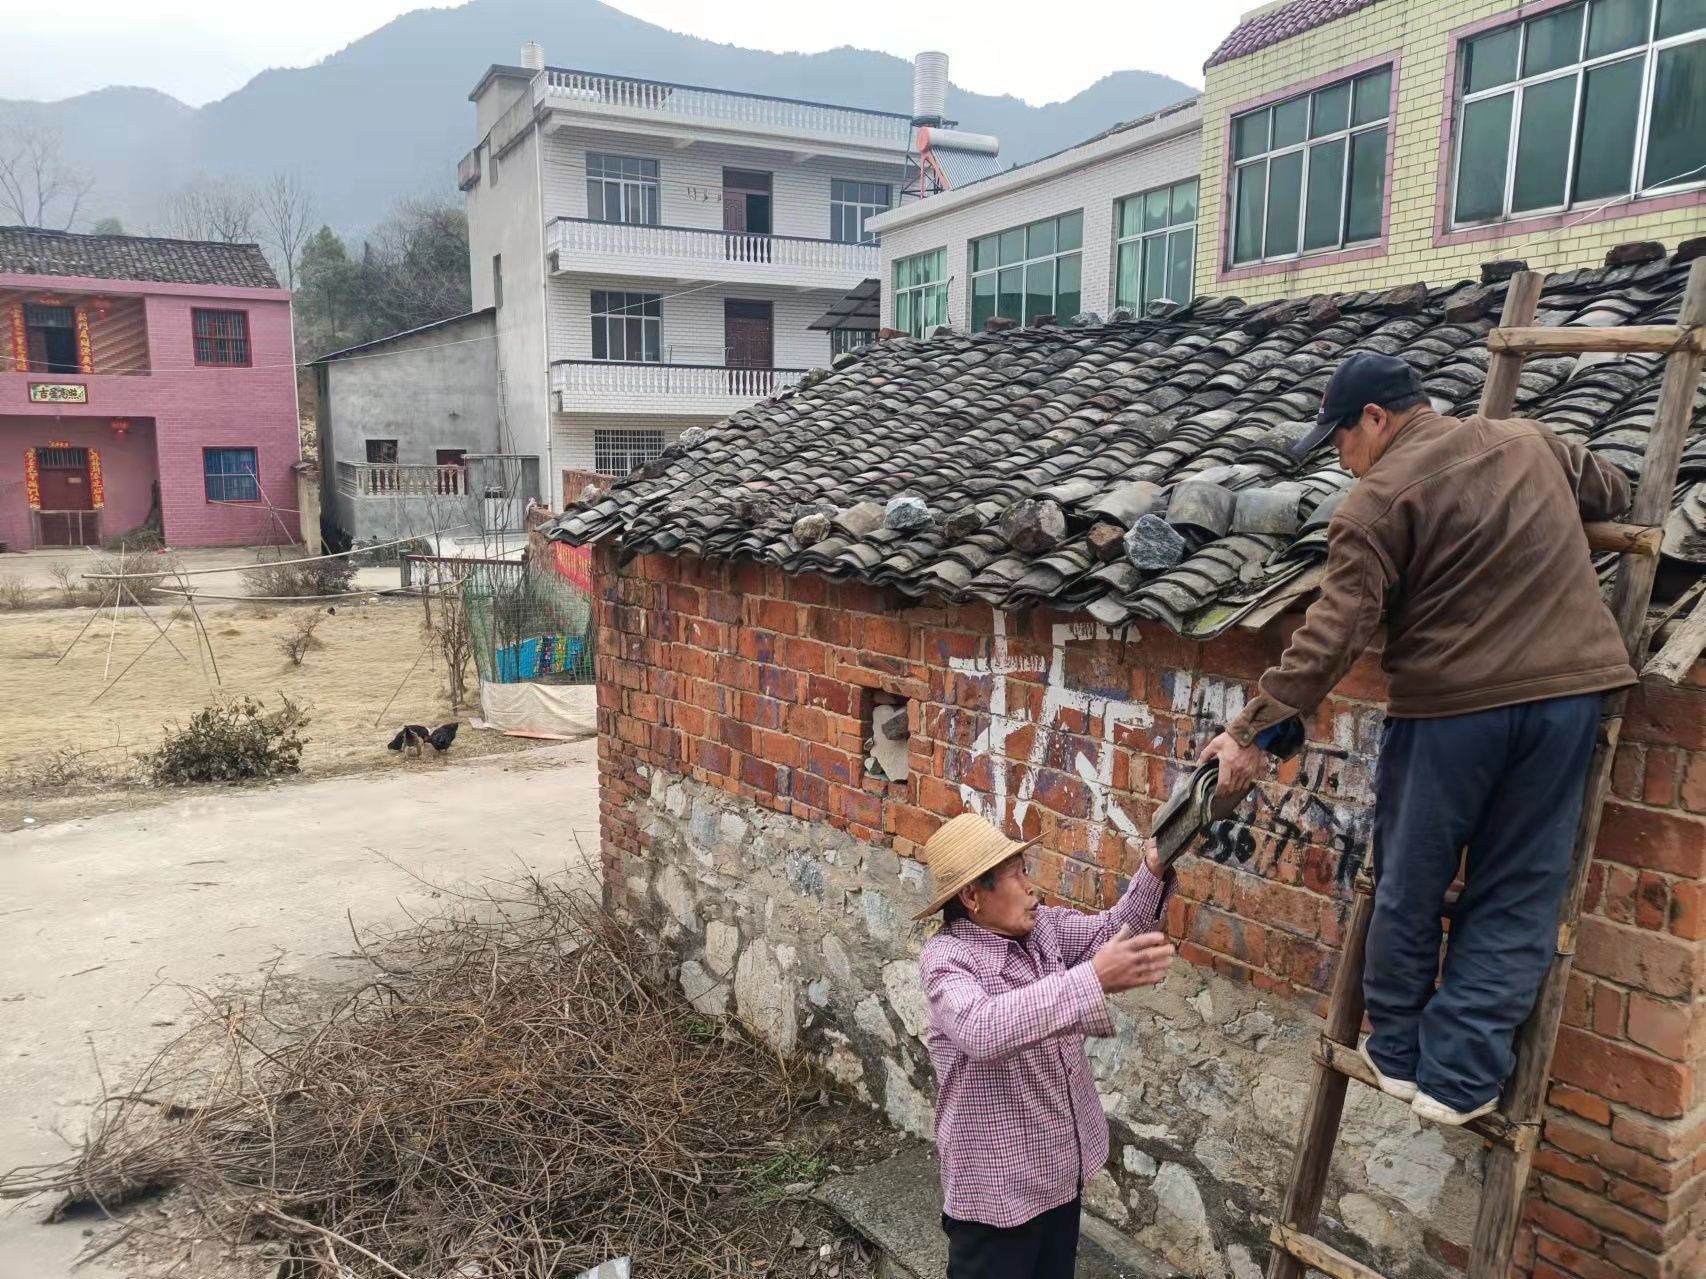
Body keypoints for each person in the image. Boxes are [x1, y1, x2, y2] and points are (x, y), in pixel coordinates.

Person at [1199, 351, 1636, 1126]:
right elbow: (1611, 486)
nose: (1340, 456)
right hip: (1569, 700)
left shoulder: (1372, 506)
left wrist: (1246, 732)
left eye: (1340, 438)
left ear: (1377, 418)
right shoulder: (1529, 441)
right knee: (1519, 885)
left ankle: (1398, 1053)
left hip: (1450, 714)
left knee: (1411, 878)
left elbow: (1331, 638)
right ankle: (1462, 1078)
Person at [916, 811, 1176, 1279]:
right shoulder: (947, 960)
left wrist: (1154, 867)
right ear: (972, 896)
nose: (1031, 886)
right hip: (996, 1198)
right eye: (1016, 876)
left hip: (1058, 1176)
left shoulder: (1045, 930)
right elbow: (983, 1029)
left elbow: (1117, 930)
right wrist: (1092, 979)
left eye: (1025, 869)